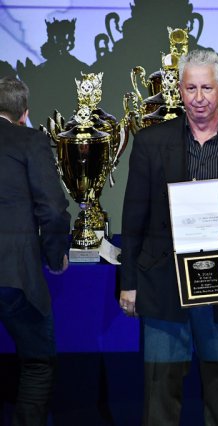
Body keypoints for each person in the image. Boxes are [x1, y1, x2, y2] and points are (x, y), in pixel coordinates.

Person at [119, 49, 218, 426]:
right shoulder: (151, 142)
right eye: (190, 88)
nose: (199, 97)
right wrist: (129, 283)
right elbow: (134, 217)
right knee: (160, 397)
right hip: (162, 284)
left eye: (207, 88)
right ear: (179, 91)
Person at [0, 76, 70, 425]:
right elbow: (53, 210)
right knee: (37, 363)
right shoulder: (31, 140)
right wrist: (55, 257)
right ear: (24, 114)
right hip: (16, 276)